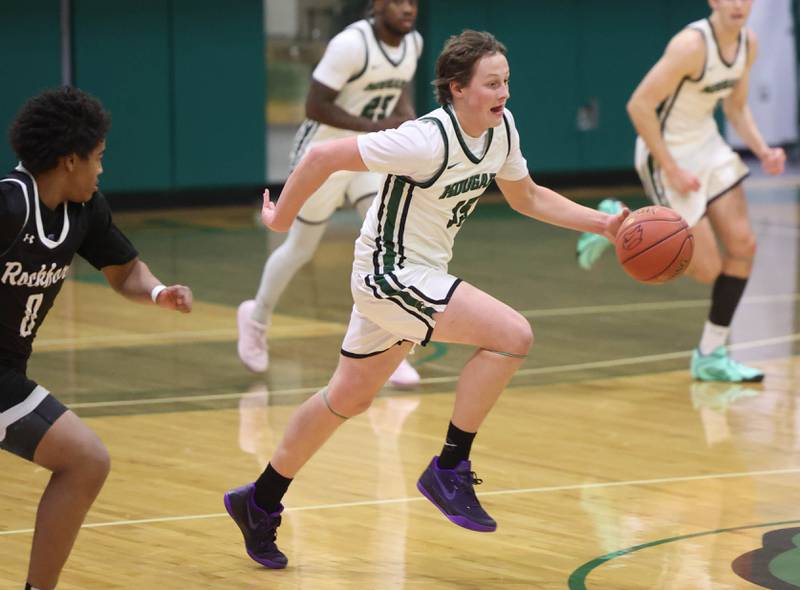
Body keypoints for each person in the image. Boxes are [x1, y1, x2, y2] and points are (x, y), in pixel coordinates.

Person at [224, 29, 628, 569]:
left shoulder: (500, 129)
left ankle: (259, 499)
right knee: (512, 335)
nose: (503, 92)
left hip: (420, 277)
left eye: (506, 81)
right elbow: (323, 156)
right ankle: (449, 468)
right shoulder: (424, 139)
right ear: (457, 89)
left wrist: (603, 224)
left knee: (346, 398)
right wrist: (282, 216)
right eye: (491, 83)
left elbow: (527, 196)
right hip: (387, 274)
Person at [0, 87, 193, 590]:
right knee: (85, 459)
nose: (102, 170)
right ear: (69, 160)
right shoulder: (7, 205)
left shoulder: (83, 211)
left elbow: (125, 270)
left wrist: (157, 293)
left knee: (85, 462)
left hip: (8, 376)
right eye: (99, 158)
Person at [576, 0, 785, 383]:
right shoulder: (691, 46)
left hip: (708, 144)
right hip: (667, 152)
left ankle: (710, 353)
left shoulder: (747, 44)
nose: (738, 4)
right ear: (714, 2)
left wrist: (763, 150)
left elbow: (736, 109)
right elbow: (639, 105)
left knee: (743, 246)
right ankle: (618, 222)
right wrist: (671, 168)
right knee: (706, 269)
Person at [237, 0, 423, 388]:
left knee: (388, 245)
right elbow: (314, 105)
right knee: (300, 249)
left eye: (413, 2)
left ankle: (386, 347)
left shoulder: (413, 44)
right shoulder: (351, 44)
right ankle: (256, 318)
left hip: (368, 155)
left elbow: (400, 91)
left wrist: (405, 123)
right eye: (398, 2)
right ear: (377, 5)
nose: (408, 9)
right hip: (321, 155)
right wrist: (373, 126)